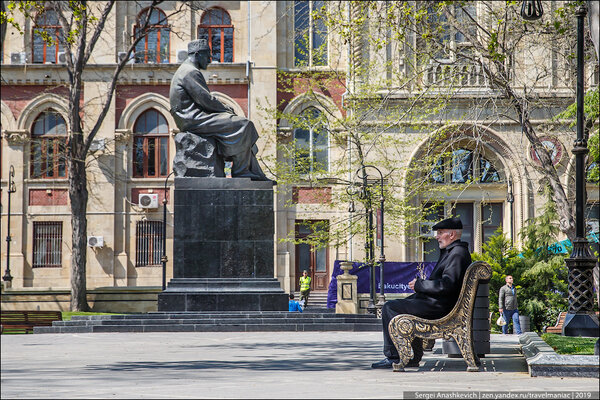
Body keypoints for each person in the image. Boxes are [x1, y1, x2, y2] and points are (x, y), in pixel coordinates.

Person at [371, 217, 472, 369]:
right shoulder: (453, 252)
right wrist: (420, 286)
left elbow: (447, 285)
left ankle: (394, 357)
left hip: (440, 307)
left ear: (451, 235)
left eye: (440, 233)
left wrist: (420, 284)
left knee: (389, 308)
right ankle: (413, 356)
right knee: (396, 305)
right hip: (438, 303)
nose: (436, 236)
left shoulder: (456, 254)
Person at [169, 39, 270, 181]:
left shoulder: (186, 70)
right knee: (244, 124)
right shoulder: (189, 72)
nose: (210, 60)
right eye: (207, 55)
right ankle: (242, 171)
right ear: (197, 54)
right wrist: (227, 109)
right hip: (192, 119)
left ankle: (250, 170)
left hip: (191, 117)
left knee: (241, 124)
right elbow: (205, 99)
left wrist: (225, 111)